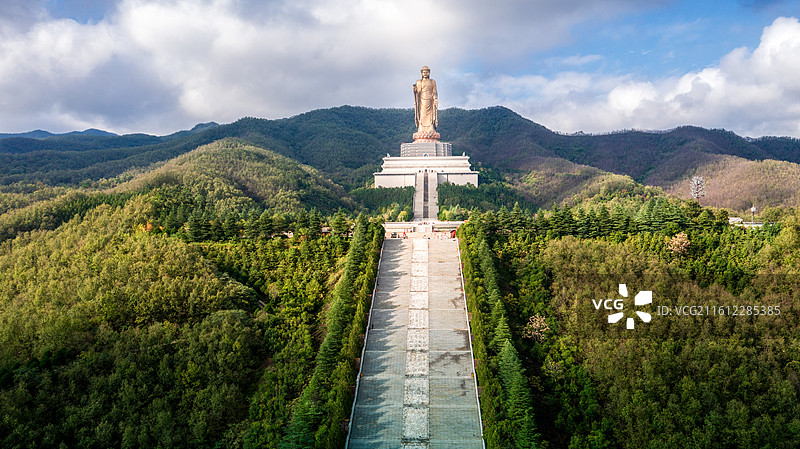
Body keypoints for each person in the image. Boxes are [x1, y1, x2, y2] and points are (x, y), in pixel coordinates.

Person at [413, 66, 438, 136]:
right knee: (422, 114)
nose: (425, 73)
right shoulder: (419, 82)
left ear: (429, 73)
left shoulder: (432, 82)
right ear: (421, 73)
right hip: (421, 101)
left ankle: (430, 128)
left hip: (430, 101)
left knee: (430, 115)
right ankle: (421, 128)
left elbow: (434, 92)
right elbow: (418, 93)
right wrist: (415, 90)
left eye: (427, 72)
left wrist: (435, 99)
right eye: (424, 72)